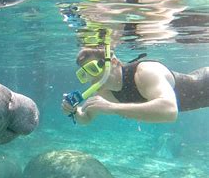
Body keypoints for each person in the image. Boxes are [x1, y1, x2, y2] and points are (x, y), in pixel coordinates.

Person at [62, 47, 209, 124]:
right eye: (84, 74)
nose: (91, 79)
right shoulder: (105, 92)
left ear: (113, 62)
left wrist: (112, 107)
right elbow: (86, 118)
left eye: (93, 69)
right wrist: (75, 111)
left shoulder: (145, 71)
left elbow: (170, 111)